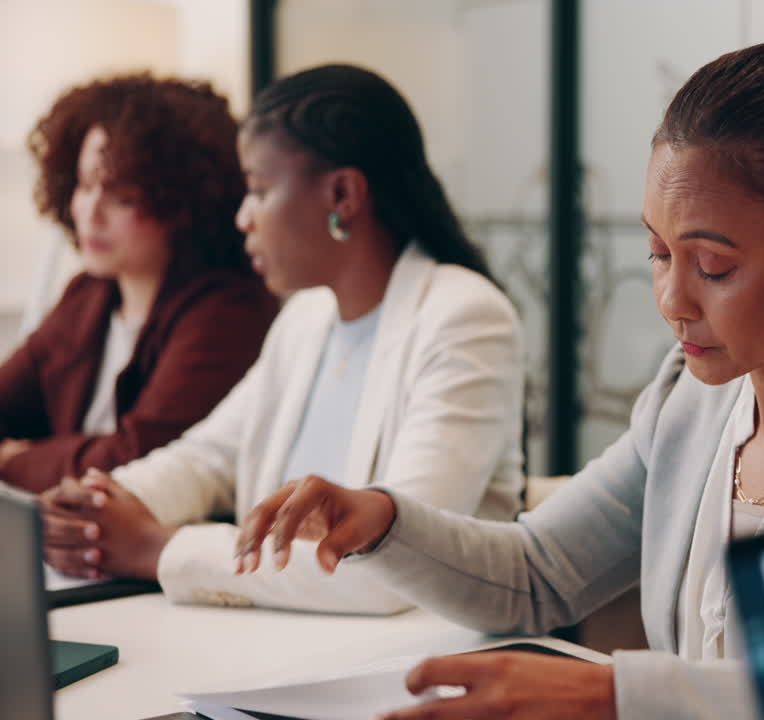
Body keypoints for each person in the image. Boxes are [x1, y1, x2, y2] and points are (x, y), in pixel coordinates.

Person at [239, 37, 764, 718]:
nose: (671, 300)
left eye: (713, 266)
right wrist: (380, 520)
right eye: (658, 253)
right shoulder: (690, 403)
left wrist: (613, 699)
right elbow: (537, 575)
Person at [40, 64, 525, 616]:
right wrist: (98, 505)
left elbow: (398, 560)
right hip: (280, 642)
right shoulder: (306, 318)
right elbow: (207, 459)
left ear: (342, 193)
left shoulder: (465, 317)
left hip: (413, 664)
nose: (243, 217)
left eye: (259, 189)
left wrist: (156, 548)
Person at [0, 73, 277, 492]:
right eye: (85, 185)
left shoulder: (229, 311)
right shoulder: (89, 294)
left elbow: (137, 457)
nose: (91, 212)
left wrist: (16, 463)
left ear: (181, 204)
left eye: (121, 197)